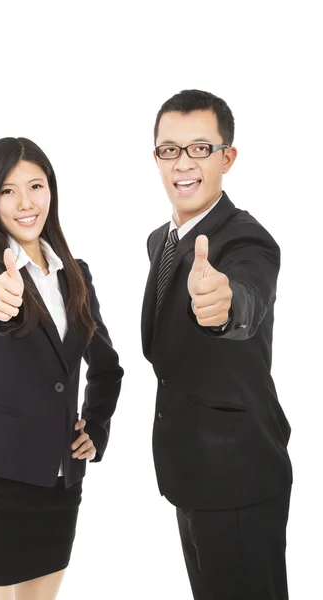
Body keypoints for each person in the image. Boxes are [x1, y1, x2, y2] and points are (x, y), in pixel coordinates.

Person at [0, 137, 124, 600]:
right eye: (7, 191)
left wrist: (97, 427)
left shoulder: (76, 276)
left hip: (59, 485)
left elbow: (106, 369)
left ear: (52, 191)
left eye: (36, 186)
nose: (25, 203)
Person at [141, 90, 292, 600]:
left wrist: (223, 308)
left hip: (239, 479)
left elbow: (245, 296)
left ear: (227, 157)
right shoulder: (161, 241)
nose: (183, 164)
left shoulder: (247, 239)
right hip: (192, 472)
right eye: (169, 150)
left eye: (200, 148)